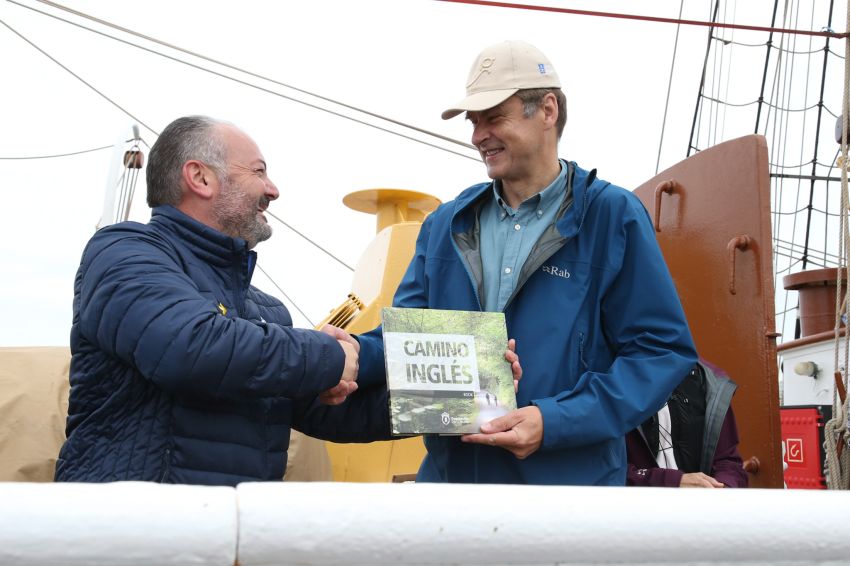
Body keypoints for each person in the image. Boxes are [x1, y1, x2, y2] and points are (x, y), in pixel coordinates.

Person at [353, 40, 698, 485]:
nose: (478, 135)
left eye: (494, 117)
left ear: (548, 110)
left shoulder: (612, 216)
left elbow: (661, 351)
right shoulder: (443, 225)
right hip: (451, 495)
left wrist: (554, 421)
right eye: (474, 122)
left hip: (567, 501)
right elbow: (402, 343)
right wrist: (347, 355)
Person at [55, 116, 390, 486]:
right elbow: (189, 347)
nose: (273, 190)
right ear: (200, 178)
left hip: (231, 535)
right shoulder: (122, 252)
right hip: (133, 534)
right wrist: (333, 355)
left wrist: (455, 407)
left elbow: (328, 411)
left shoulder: (267, 312)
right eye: (259, 172)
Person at [626, 361, 748, 488]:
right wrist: (673, 481)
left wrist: (722, 486)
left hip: (703, 506)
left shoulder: (709, 380)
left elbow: (728, 461)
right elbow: (607, 471)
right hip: (634, 505)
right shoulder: (611, 380)